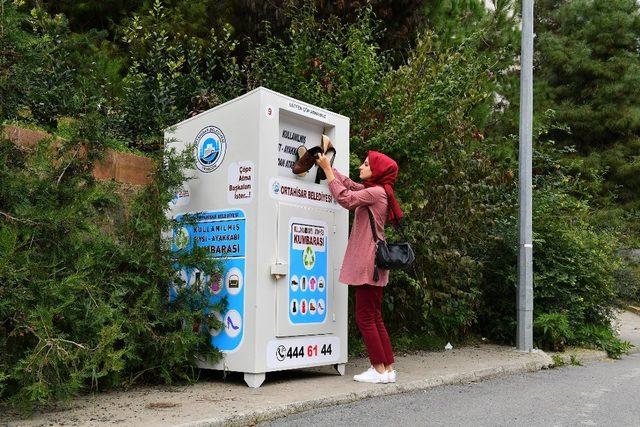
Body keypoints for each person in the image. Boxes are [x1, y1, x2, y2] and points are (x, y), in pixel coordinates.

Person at [316, 150, 404, 384]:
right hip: (375, 262)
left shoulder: (375, 193)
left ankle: (377, 369)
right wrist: (330, 168)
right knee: (375, 316)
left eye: (366, 164)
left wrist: (326, 171)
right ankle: (387, 368)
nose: (361, 167)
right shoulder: (379, 191)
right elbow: (352, 186)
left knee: (365, 317)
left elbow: (346, 198)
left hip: (368, 262)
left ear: (377, 170)